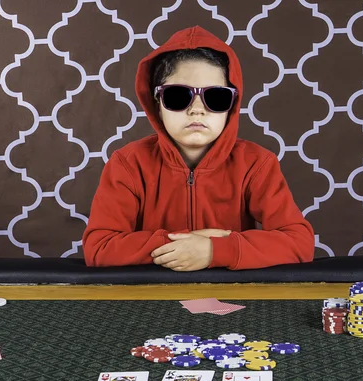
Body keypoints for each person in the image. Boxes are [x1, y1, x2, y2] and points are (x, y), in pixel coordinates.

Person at [82, 26, 314, 271]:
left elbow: (299, 242)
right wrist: (188, 246)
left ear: (232, 105)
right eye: (178, 96)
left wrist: (215, 251)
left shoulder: (256, 164)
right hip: (148, 297)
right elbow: (99, 248)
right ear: (156, 103)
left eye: (215, 97)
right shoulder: (128, 164)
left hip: (235, 295)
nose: (196, 109)